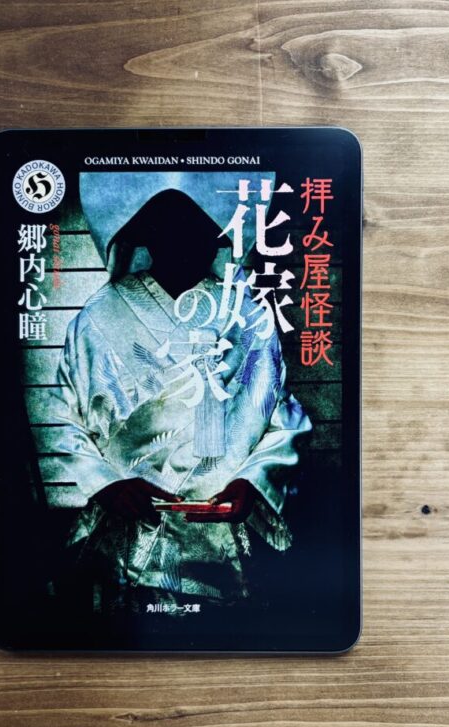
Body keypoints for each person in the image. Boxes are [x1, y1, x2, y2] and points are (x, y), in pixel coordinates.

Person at [46, 173, 311, 613]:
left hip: (219, 521)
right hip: (129, 522)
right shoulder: (98, 316)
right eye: (169, 230)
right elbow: (62, 414)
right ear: (146, 235)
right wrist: (106, 483)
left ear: (217, 236)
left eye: (197, 229)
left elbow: (283, 417)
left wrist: (252, 481)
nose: (184, 243)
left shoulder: (247, 313)